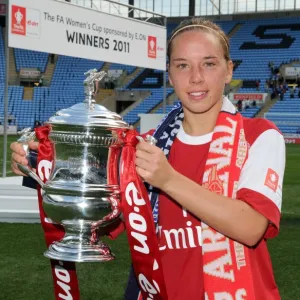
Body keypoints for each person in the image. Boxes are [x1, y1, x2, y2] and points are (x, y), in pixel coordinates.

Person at [11, 17, 285, 300]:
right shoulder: (145, 145)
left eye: (209, 63)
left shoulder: (258, 136)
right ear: (170, 74)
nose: (195, 77)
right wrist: (48, 170)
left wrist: (167, 179)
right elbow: (107, 221)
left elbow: (251, 228)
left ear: (228, 70)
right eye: (182, 65)